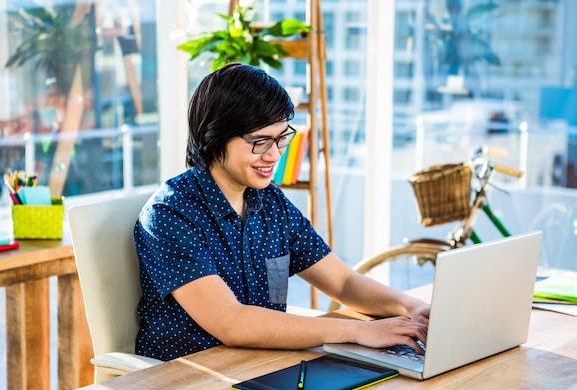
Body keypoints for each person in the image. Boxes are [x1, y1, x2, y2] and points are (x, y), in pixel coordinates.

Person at [134, 63, 429, 362]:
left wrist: (410, 306)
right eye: (259, 141)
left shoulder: (271, 203)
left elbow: (343, 282)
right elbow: (231, 323)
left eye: (281, 138)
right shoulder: (170, 214)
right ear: (213, 136)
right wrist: (358, 332)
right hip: (188, 381)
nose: (274, 155)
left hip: (264, 364)